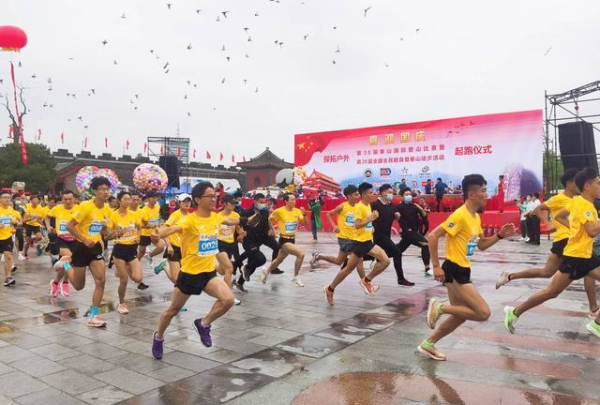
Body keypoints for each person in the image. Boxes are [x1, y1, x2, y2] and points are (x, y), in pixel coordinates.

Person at [417, 174, 515, 361]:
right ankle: (439, 307)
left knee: (461, 315)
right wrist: (436, 267)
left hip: (463, 269)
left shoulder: (475, 217)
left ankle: (428, 344)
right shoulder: (460, 215)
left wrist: (500, 236)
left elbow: (481, 245)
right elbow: (433, 236)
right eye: (484, 191)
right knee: (482, 312)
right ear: (472, 195)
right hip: (453, 270)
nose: (487, 195)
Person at [151, 182, 253, 359]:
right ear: (198, 199)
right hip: (189, 275)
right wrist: (159, 234)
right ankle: (158, 337)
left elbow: (231, 220)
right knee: (172, 311)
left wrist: (251, 219)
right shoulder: (190, 220)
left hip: (208, 274)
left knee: (228, 300)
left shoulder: (215, 217)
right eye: (209, 196)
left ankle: (204, 324)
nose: (214, 199)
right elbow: (174, 228)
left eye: (215, 196)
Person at [503, 168, 600, 339]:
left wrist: (575, 230)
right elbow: (592, 231)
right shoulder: (585, 206)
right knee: (551, 291)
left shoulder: (577, 201)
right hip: (576, 257)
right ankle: (515, 311)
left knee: (550, 287)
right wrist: (578, 230)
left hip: (585, 255)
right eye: (598, 183)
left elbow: (561, 216)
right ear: (587, 186)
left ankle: (597, 322)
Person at [323, 182, 391, 306]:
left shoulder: (367, 205)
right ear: (363, 195)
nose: (373, 194)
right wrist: (370, 219)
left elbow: (365, 223)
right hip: (360, 242)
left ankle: (363, 281)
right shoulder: (359, 207)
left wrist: (371, 227)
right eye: (370, 193)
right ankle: (333, 288)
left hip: (366, 241)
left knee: (383, 261)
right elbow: (357, 224)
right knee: (348, 269)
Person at [65, 177, 113, 328]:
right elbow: (69, 225)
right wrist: (84, 239)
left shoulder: (107, 209)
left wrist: (114, 234)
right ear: (95, 191)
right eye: (102, 189)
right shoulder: (86, 206)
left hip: (95, 248)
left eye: (107, 189)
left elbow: (104, 231)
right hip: (81, 248)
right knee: (79, 286)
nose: (105, 192)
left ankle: (93, 315)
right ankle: (66, 265)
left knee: (101, 280)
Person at [309, 185, 371, 286]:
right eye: (355, 195)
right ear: (349, 196)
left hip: (354, 238)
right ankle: (366, 284)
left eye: (358, 194)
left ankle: (318, 256)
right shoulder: (343, 206)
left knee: (338, 261)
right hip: (344, 239)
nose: (358, 196)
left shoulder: (359, 207)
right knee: (359, 259)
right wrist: (334, 226)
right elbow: (329, 214)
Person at [235, 193, 281, 292]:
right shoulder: (246, 213)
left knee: (277, 247)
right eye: (261, 202)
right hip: (250, 240)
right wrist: (240, 234)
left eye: (264, 202)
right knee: (258, 261)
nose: (263, 204)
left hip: (264, 237)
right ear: (255, 201)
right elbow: (238, 226)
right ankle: (240, 281)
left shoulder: (265, 212)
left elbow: (267, 222)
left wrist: (271, 230)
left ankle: (272, 268)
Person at [371, 184, 415, 287]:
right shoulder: (375, 205)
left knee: (382, 256)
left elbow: (397, 216)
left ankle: (359, 257)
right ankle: (401, 279)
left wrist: (397, 216)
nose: (391, 194)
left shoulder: (392, 206)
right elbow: (370, 218)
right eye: (389, 192)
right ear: (382, 193)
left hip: (387, 235)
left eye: (392, 192)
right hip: (378, 236)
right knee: (397, 253)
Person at [107, 191, 143, 314]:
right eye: (125, 199)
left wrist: (138, 236)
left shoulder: (134, 214)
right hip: (119, 249)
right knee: (124, 280)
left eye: (130, 199)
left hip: (132, 249)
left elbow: (139, 228)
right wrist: (117, 233)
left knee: (138, 278)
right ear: (119, 200)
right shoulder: (113, 215)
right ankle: (121, 303)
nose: (128, 201)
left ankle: (125, 268)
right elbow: (108, 235)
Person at [260, 193, 307, 286]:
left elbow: (305, 223)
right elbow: (268, 219)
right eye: (292, 200)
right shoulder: (279, 211)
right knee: (301, 254)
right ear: (286, 201)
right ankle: (295, 277)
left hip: (292, 239)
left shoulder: (297, 211)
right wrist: (272, 229)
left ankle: (267, 270)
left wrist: (304, 215)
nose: (294, 201)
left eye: (295, 199)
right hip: (284, 240)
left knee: (279, 260)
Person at [154, 193, 191, 284]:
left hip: (185, 250)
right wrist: (169, 245)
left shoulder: (191, 216)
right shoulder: (175, 215)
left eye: (188, 201)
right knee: (176, 279)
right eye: (184, 201)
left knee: (183, 277)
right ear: (179, 203)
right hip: (174, 248)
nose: (187, 203)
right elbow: (165, 229)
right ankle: (164, 266)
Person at [46, 190, 77, 298]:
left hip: (75, 240)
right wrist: (49, 226)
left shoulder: (78, 209)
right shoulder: (57, 208)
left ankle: (55, 282)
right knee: (68, 257)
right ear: (62, 199)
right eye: (65, 199)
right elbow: (47, 217)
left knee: (66, 265)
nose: (68, 201)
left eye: (70, 199)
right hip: (61, 239)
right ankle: (65, 283)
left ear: (74, 199)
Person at [397, 190, 432, 277]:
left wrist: (420, 208)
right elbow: (397, 218)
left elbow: (424, 215)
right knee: (426, 244)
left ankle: (377, 257)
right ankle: (427, 269)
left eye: (410, 194)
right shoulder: (399, 207)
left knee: (397, 250)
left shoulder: (414, 206)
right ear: (402, 196)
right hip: (408, 232)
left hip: (414, 232)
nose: (409, 196)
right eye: (406, 194)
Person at [216, 194, 243, 305]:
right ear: (225, 204)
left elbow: (238, 228)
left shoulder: (235, 214)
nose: (233, 206)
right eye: (232, 204)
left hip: (231, 244)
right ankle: (228, 296)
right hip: (220, 244)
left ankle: (211, 268)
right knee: (229, 268)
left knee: (222, 270)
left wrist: (241, 234)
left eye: (235, 204)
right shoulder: (218, 216)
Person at [137, 192, 165, 289]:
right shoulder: (143, 210)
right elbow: (141, 225)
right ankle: (135, 266)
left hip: (154, 232)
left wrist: (159, 224)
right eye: (153, 198)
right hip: (144, 233)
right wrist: (150, 225)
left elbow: (157, 218)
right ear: (148, 199)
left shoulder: (157, 206)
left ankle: (149, 256)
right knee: (141, 252)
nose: (155, 200)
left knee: (161, 247)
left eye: (156, 198)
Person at [1, 191, 21, 286]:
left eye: (8, 197)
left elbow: (18, 221)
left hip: (7, 236)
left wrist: (15, 223)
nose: (7, 199)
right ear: (0, 199)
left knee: (8, 256)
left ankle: (8, 278)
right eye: (4, 197)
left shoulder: (11, 210)